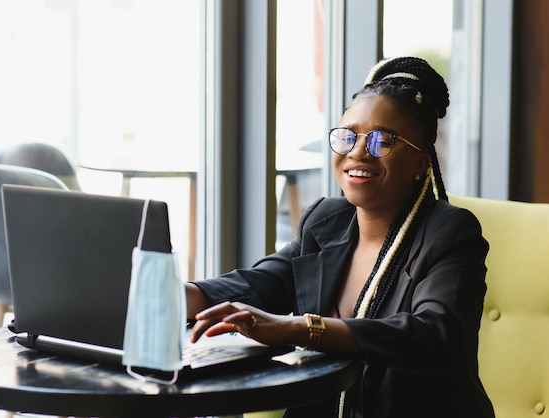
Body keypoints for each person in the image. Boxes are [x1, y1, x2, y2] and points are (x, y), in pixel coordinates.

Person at [186, 56, 495, 418]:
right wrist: (176, 295)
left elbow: (434, 336)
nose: (359, 151)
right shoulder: (325, 221)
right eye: (348, 136)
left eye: (383, 140)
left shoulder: (449, 232)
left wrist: (302, 328)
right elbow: (260, 284)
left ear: (420, 164)